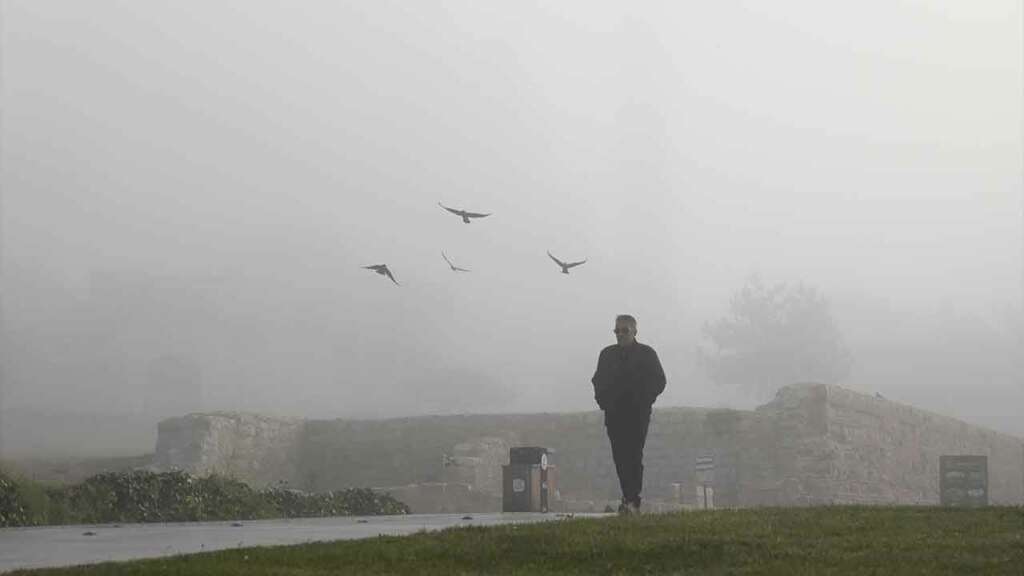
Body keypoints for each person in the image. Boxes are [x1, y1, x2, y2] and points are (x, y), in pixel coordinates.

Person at [591, 314, 666, 514]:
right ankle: (628, 497)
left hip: (637, 414)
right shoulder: (606, 355)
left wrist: (644, 399)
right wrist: (604, 402)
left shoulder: (647, 354)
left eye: (625, 330)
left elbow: (659, 381)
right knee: (619, 455)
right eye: (617, 331)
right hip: (615, 414)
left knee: (633, 454)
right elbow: (598, 381)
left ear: (634, 332)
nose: (621, 334)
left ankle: (633, 499)